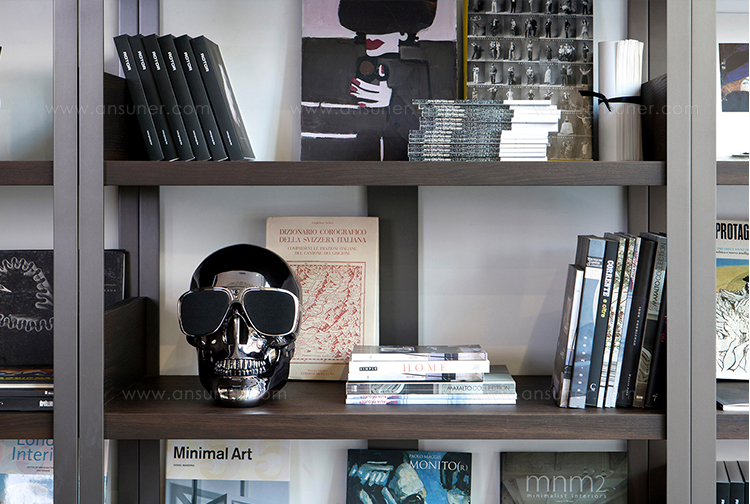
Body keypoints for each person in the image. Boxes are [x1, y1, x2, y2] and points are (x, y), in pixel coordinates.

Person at [301, 0, 455, 161]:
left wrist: (393, 100)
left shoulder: (427, 67)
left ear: (403, 32)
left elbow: (432, 136)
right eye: (365, 30)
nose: (371, 37)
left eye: (382, 27)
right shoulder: (344, 60)